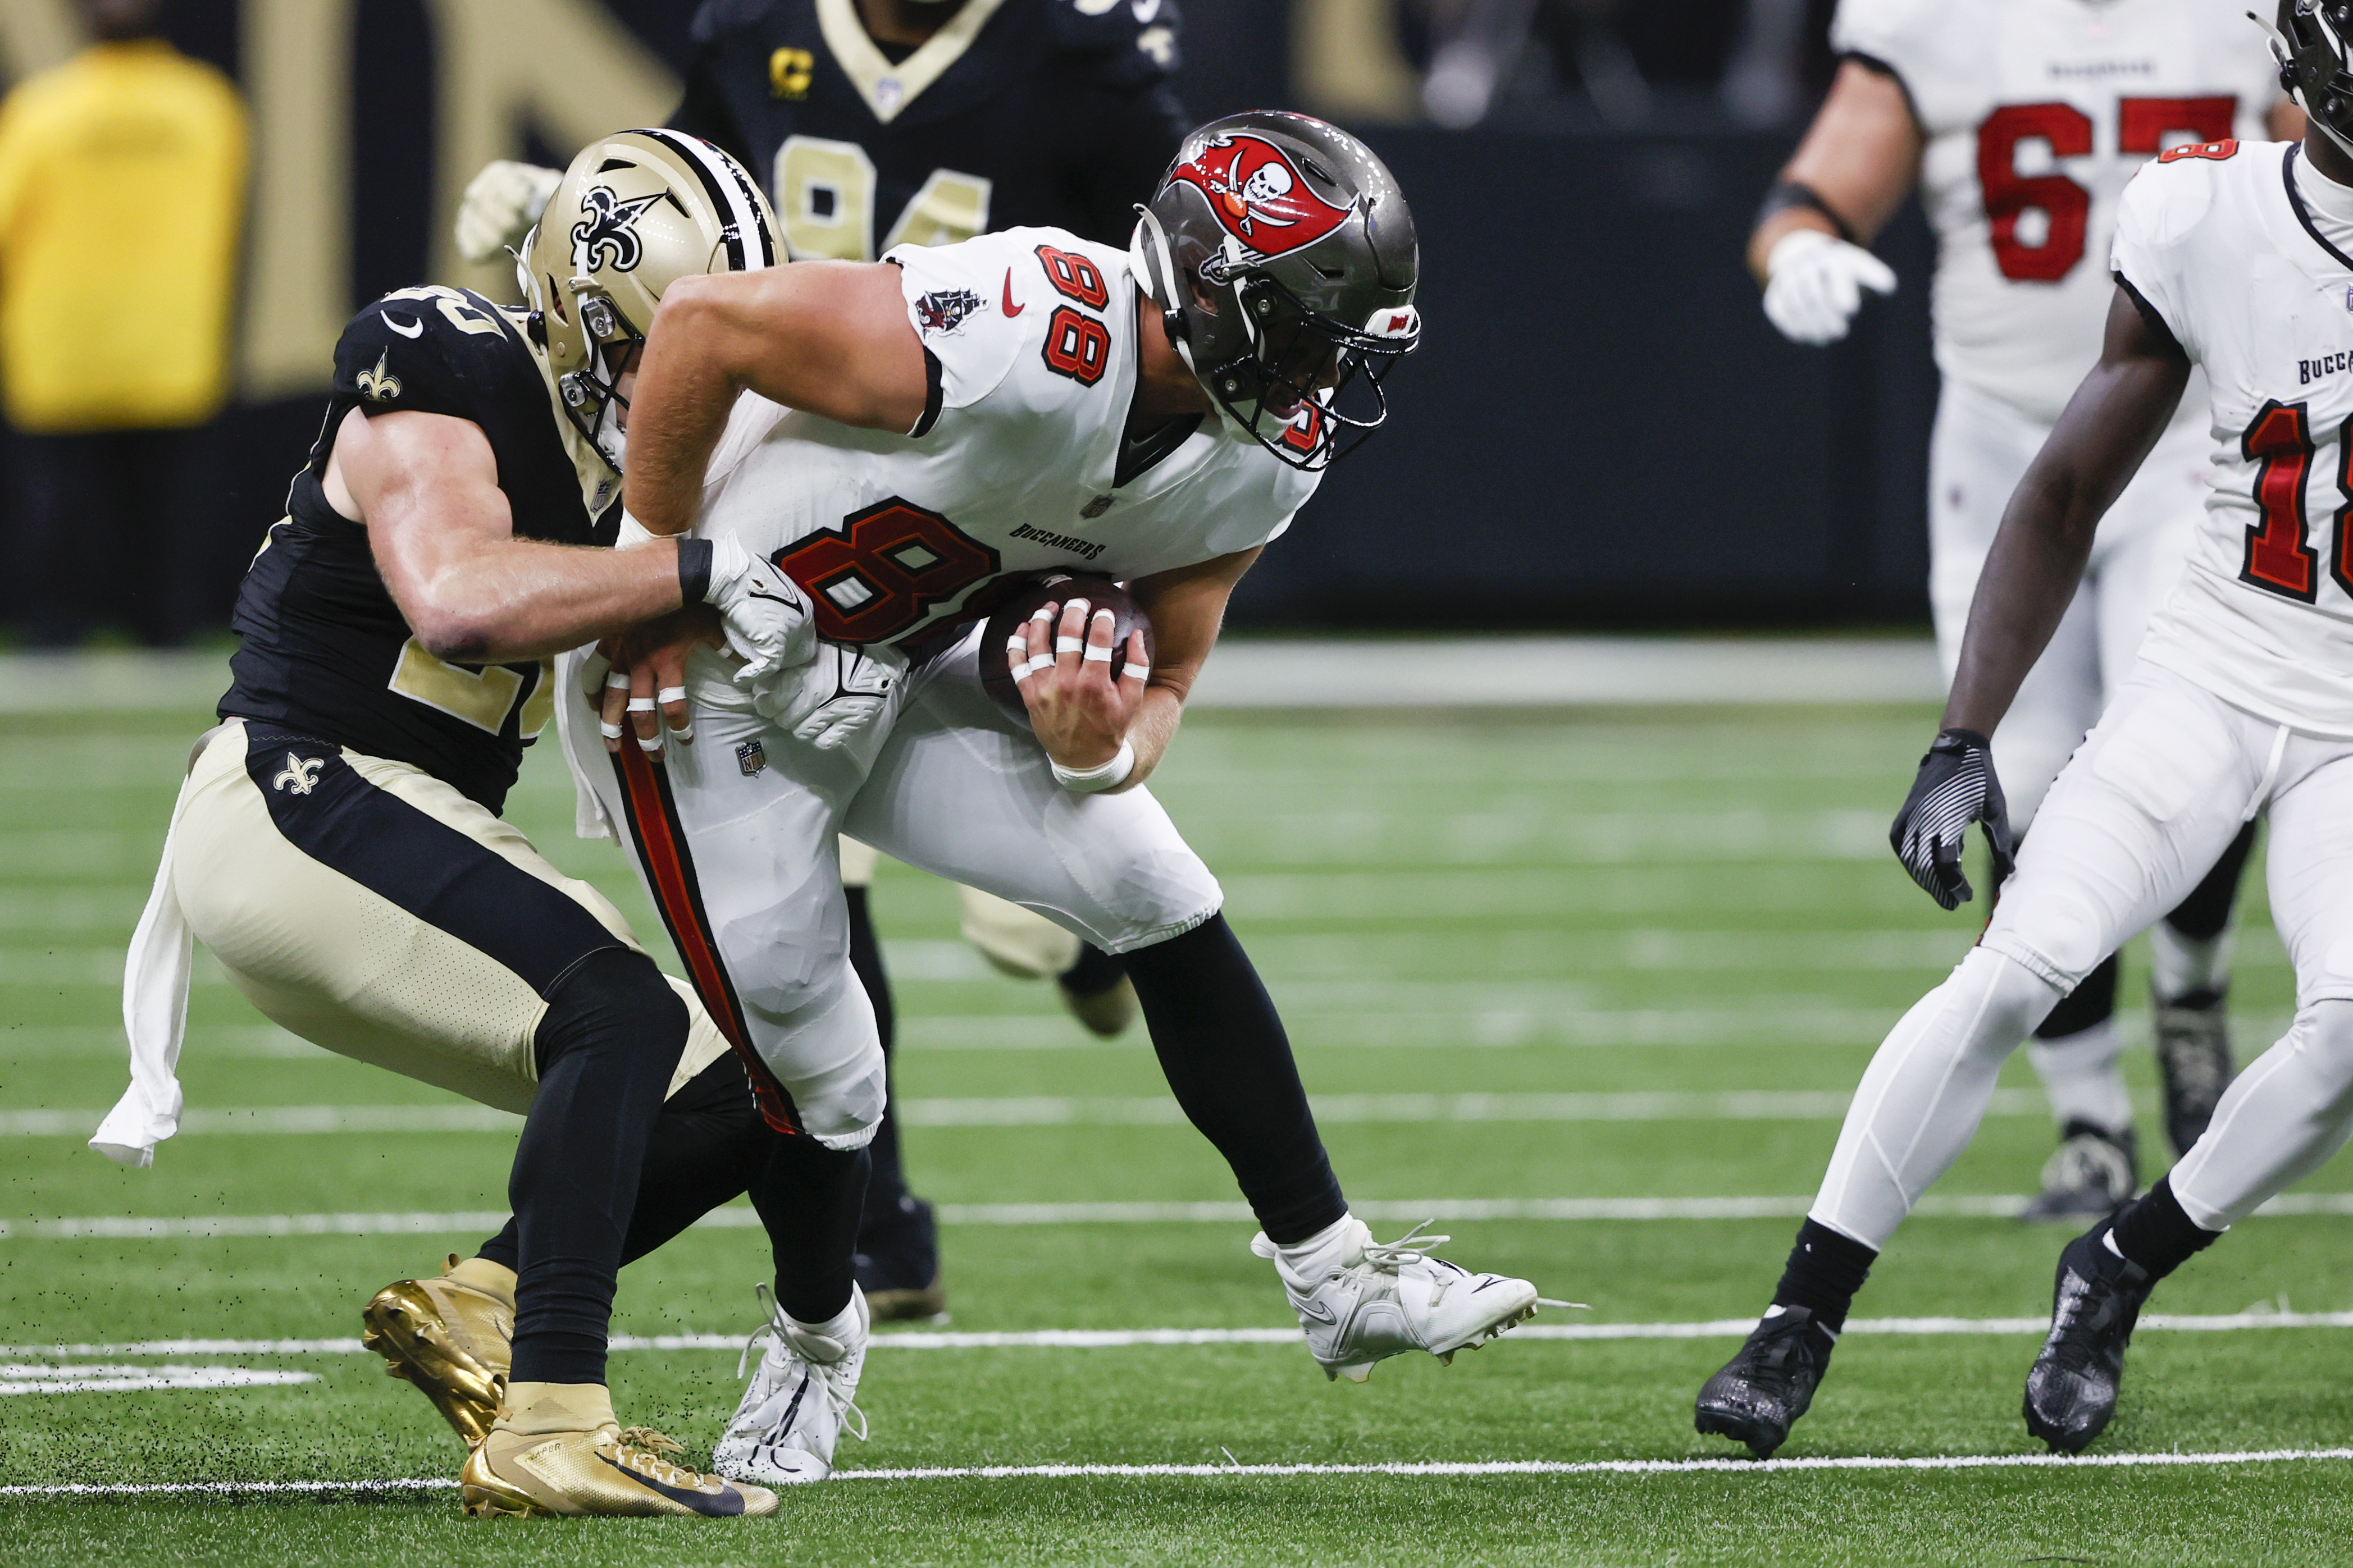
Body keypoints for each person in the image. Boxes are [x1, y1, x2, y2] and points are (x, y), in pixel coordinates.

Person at [563, 112, 1553, 1476]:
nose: (1328, 373)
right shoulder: (1033, 326)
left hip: (902, 663)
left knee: (1152, 885)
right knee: (825, 1060)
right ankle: (811, 1334)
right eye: (1307, 330)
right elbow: (703, 327)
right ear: (1207, 288)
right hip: (714, 670)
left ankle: (1334, 1281)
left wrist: (1090, 744)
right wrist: (646, 589)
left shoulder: (1263, 451)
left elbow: (1166, 692)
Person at [97, 130, 818, 1517]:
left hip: (398, 824)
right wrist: (705, 568)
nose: (682, 390)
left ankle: (482, 1301)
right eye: (653, 350)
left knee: (748, 1087)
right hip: (293, 798)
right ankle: (551, 1422)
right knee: (613, 1010)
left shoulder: (660, 449)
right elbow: (455, 595)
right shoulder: (443, 359)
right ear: (569, 308)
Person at [454, 0, 1191, 1321]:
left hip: (999, 503)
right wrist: (576, 204)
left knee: (1051, 869)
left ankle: (1086, 957)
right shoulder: (757, 32)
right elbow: (681, 195)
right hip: (803, 484)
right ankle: (885, 1229)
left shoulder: (1080, 58)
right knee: (805, 851)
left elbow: (1173, 293)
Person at [1698, 1, 2353, 1460]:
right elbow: (2063, 489)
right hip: (2216, 667)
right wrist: (1959, 736)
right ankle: (1800, 1308)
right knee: (2017, 962)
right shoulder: (2204, 211)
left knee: (2350, 1025)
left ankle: (2115, 1265)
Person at [1749, 0, 2297, 1219]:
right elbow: (1814, 191)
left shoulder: (2235, 15)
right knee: (2032, 781)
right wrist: (1794, 247)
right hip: (2006, 440)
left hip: (2193, 441)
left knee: (2189, 746)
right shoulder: (1933, 16)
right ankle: (2090, 1115)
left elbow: (2325, 171)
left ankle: (2193, 986)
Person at [0, 0, 246, 646]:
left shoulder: (42, 109)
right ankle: (167, 637)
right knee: (170, 526)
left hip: (63, 348)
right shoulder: (207, 106)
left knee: (61, 525)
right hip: (170, 347)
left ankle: (57, 642)